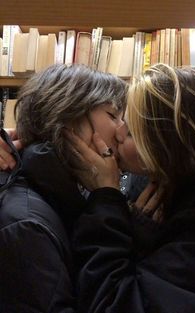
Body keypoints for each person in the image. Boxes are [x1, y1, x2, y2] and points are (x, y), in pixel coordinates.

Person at [66, 64, 195, 312]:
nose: (118, 132)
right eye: (119, 117)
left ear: (173, 145)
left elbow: (113, 304)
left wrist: (106, 198)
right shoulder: (177, 182)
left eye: (133, 131)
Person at [0, 64, 127, 312]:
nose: (122, 131)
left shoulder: (63, 193)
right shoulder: (27, 225)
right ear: (67, 116)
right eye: (113, 115)